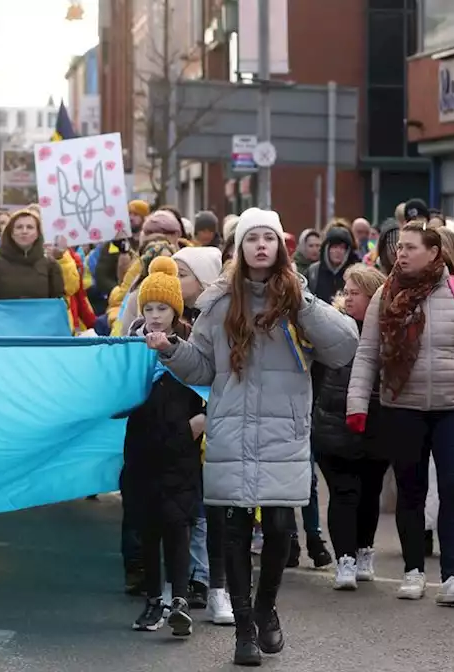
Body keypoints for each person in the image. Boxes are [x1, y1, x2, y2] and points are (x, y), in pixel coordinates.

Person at [147, 207, 358, 666]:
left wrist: (302, 300)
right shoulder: (220, 301)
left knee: (281, 526)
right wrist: (170, 350)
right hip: (233, 428)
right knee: (236, 529)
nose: (260, 245)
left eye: (268, 238)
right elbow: (202, 366)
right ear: (239, 249)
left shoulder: (298, 297)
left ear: (280, 247)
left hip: (284, 429)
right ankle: (244, 630)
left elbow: (344, 347)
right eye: (251, 239)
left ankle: (265, 610)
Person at [346, 221, 454, 605]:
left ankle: (453, 575)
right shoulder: (385, 294)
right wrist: (357, 405)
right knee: (411, 492)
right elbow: (367, 354)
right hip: (402, 407)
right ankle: (413, 571)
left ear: (434, 253)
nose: (401, 253)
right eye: (400, 247)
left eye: (411, 247)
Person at [124, 257, 205, 637]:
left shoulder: (189, 346)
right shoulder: (130, 347)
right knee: (148, 526)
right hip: (141, 450)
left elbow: (210, 389)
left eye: (163, 308)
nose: (155, 316)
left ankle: (180, 600)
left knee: (178, 525)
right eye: (150, 308)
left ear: (176, 309)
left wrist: (198, 424)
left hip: (180, 453)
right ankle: (153, 599)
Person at [313, 264, 388, 591]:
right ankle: (344, 558)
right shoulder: (333, 327)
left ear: (374, 297)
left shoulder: (389, 329)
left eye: (355, 293)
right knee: (343, 491)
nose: (347, 298)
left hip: (378, 422)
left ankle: (363, 551)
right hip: (333, 421)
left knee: (370, 491)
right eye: (346, 291)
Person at [170, 245, 232, 624]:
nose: (174, 282)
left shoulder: (219, 316)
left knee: (218, 512)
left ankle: (216, 585)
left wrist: (208, 416)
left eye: (182, 274)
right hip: (183, 430)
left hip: (216, 425)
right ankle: (191, 579)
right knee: (190, 507)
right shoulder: (171, 317)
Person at [0, 210, 67, 302]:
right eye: (19, 227)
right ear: (11, 233)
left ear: (37, 233)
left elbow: (59, 302)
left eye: (30, 227)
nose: (24, 231)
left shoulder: (51, 265)